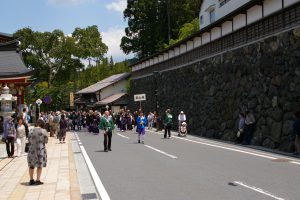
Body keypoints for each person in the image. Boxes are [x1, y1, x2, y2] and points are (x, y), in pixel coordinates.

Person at [27, 119, 48, 185]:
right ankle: (38, 180)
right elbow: (46, 141)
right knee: (39, 165)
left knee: (31, 166)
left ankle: (31, 180)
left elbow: (29, 140)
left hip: (31, 150)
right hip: (40, 150)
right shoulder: (43, 131)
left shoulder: (30, 131)